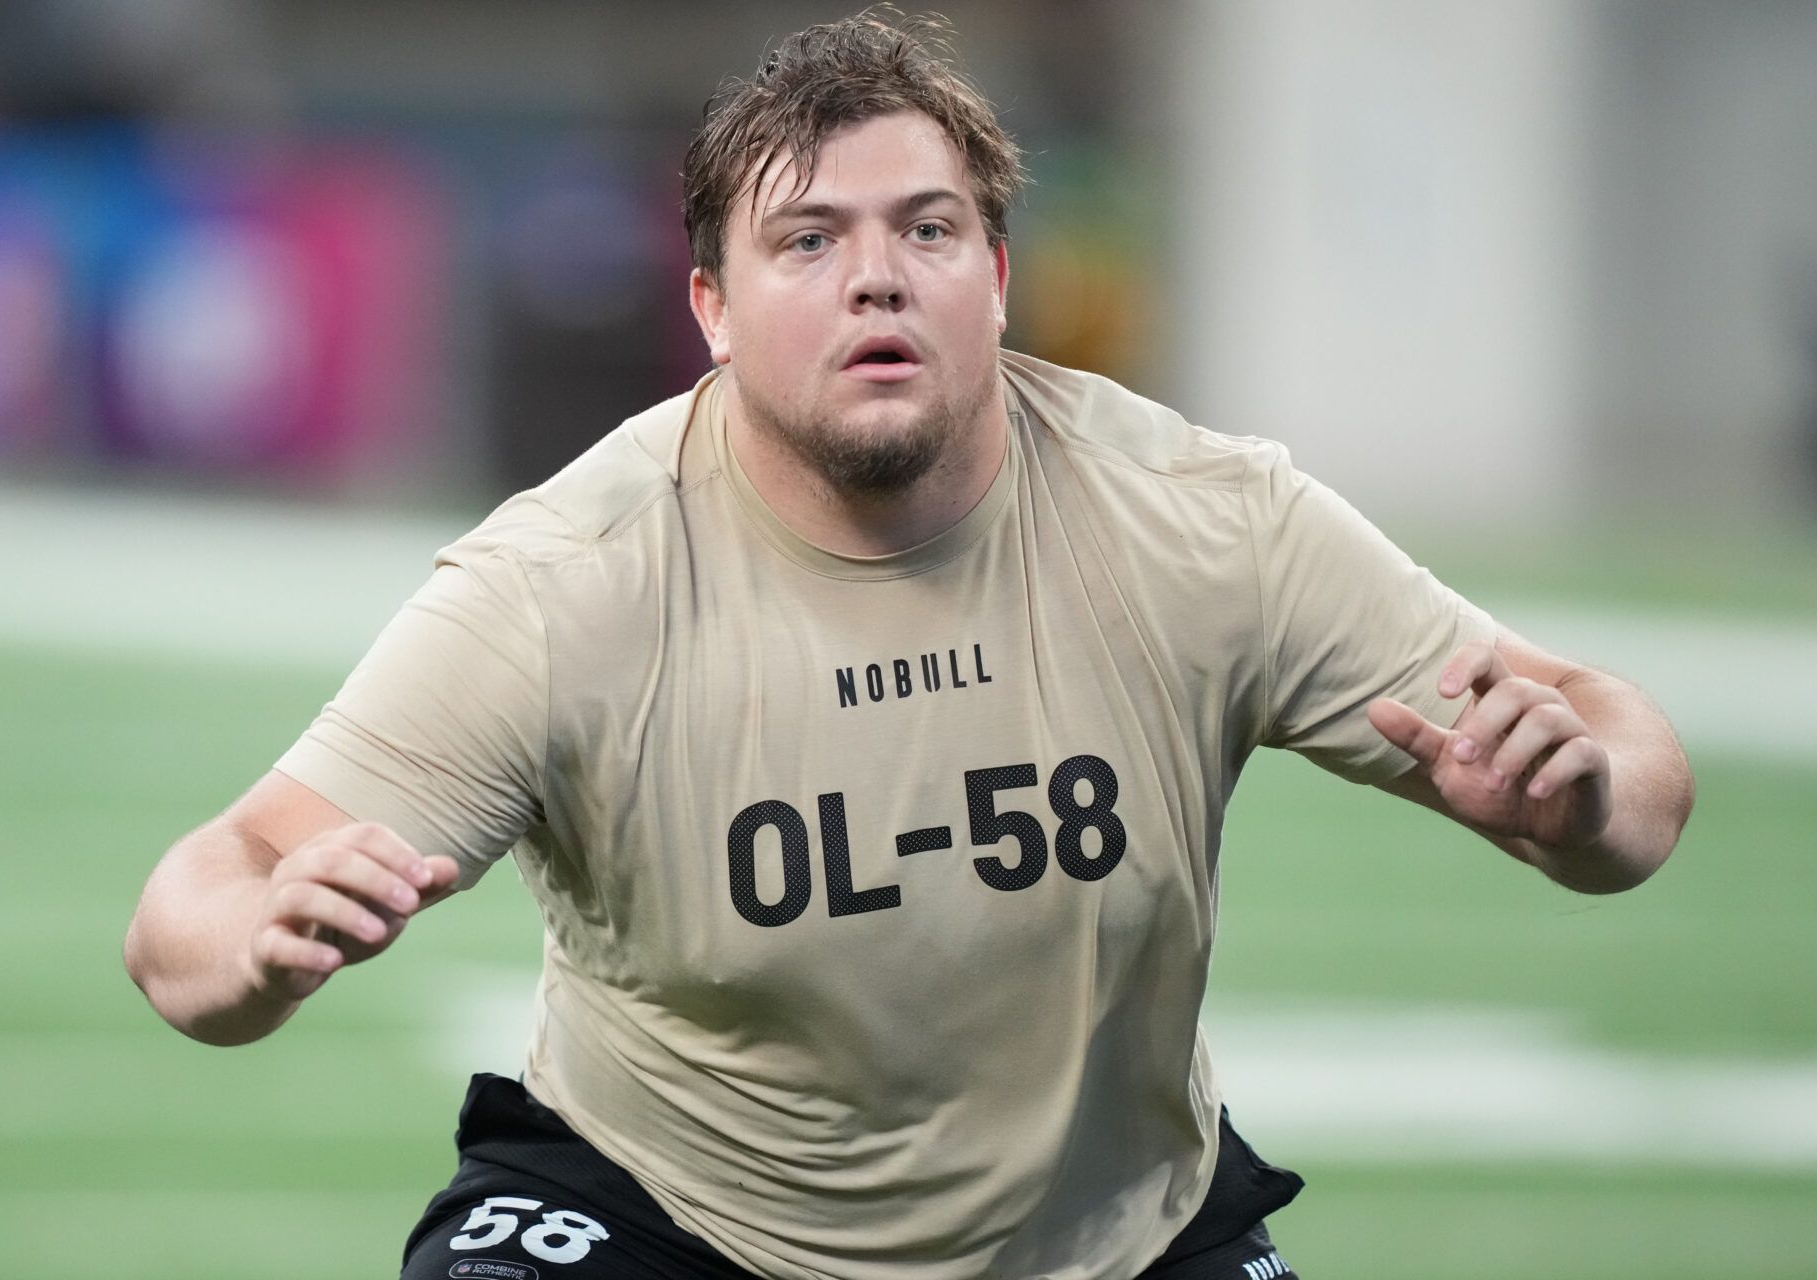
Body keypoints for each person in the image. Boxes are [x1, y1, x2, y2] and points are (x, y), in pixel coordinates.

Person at [124, 10, 1695, 1280]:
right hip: (673, 1222)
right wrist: (260, 955)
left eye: (928, 229)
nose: (877, 272)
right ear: (712, 309)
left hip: (1116, 1241)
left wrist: (1583, 802)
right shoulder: (571, 577)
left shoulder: (1200, 520)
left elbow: (1623, 768)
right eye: (807, 241)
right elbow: (194, 910)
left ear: (997, 281)